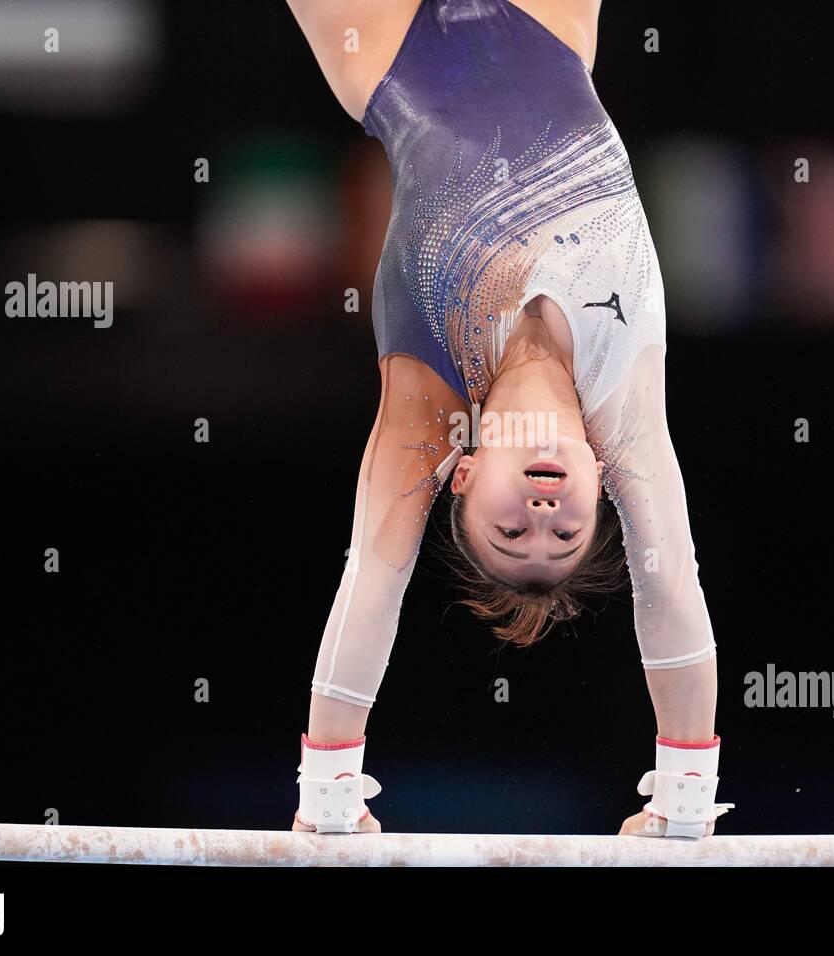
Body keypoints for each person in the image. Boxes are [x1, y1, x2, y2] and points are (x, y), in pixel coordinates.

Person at [284, 0, 733, 838]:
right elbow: (671, 581)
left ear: (462, 474)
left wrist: (332, 796)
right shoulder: (625, 407)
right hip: (545, 23)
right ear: (602, 480)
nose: (541, 519)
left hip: (382, 47)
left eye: (509, 532)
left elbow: (373, 583)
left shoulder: (426, 407)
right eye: (566, 535)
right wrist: (681, 807)